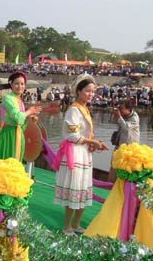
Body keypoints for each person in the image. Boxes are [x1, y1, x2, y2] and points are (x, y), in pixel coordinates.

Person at [54, 73, 108, 236]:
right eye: (87, 91)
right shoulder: (74, 110)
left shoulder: (84, 109)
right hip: (75, 153)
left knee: (83, 188)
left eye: (93, 91)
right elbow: (73, 136)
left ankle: (77, 224)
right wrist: (92, 143)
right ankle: (67, 226)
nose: (90, 94)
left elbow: (84, 135)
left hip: (84, 153)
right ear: (78, 91)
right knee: (74, 188)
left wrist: (93, 142)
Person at [0, 71, 42, 165]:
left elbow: (21, 121)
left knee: (15, 162)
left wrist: (29, 117)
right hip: (9, 135)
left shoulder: (20, 101)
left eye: (22, 84)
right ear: (11, 85)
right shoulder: (7, 98)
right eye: (16, 83)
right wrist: (29, 111)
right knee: (6, 162)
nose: (20, 86)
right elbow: (17, 117)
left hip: (18, 134)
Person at [108, 99, 140, 182]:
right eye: (119, 109)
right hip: (120, 144)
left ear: (128, 109)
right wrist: (114, 116)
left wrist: (119, 117)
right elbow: (112, 122)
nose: (120, 111)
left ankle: (123, 186)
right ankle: (110, 183)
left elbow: (126, 127)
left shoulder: (134, 118)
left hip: (130, 147)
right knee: (114, 164)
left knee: (127, 168)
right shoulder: (122, 116)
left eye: (122, 109)